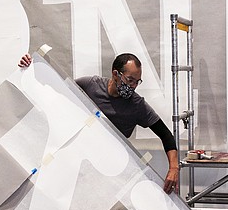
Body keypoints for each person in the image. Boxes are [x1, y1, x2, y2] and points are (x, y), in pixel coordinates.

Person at [19, 53, 180, 194]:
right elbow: (55, 88)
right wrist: (32, 66)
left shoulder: (137, 106)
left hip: (108, 170)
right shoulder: (90, 85)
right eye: (129, 80)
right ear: (115, 74)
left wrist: (174, 168)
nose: (132, 86)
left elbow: (166, 135)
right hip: (76, 160)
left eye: (137, 82)